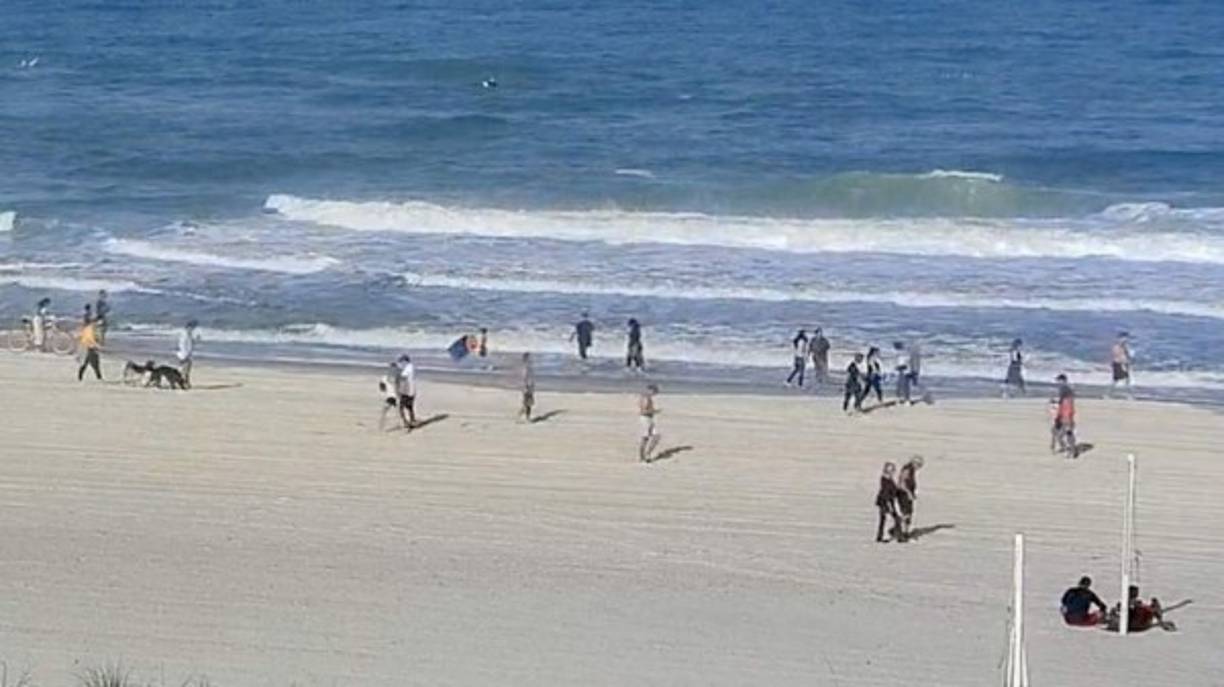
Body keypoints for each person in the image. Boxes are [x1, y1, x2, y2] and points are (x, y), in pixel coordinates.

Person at [895, 455, 923, 541]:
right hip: (903, 494)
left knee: (909, 513)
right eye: (918, 465)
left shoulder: (911, 470)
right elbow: (902, 483)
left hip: (907, 494)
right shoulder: (907, 470)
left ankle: (905, 531)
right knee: (906, 513)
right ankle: (902, 533)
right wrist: (909, 493)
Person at [1051, 374, 1079, 457]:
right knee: (1061, 433)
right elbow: (1061, 403)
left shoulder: (1065, 390)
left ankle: (1071, 450)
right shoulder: (1066, 393)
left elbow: (1065, 405)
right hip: (1064, 414)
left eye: (1059, 381)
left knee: (1066, 433)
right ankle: (1068, 449)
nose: (1058, 383)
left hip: (1066, 415)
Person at [874, 462, 902, 543]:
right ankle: (894, 536)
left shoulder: (888, 479)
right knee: (893, 518)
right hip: (886, 501)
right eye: (892, 470)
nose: (893, 472)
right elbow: (886, 492)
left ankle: (881, 536)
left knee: (884, 519)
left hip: (886, 501)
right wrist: (888, 504)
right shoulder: (886, 480)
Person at [638, 383, 660, 462]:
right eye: (655, 392)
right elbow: (643, 411)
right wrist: (654, 411)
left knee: (656, 437)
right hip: (645, 419)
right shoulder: (645, 398)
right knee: (645, 438)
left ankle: (647, 454)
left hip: (650, 418)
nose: (655, 394)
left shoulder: (648, 398)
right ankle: (642, 457)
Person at [396, 354, 418, 430]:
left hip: (407, 390)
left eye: (402, 362)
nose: (401, 364)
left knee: (401, 407)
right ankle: (412, 420)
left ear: (405, 361)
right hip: (411, 390)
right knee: (409, 407)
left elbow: (403, 377)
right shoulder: (411, 367)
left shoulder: (408, 369)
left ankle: (406, 422)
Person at [378, 361, 401, 431]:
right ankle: (398, 425)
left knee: (384, 411)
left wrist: (384, 390)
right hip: (395, 396)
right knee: (397, 411)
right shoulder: (397, 377)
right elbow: (399, 387)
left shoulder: (385, 377)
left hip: (390, 396)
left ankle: (381, 427)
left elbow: (381, 388)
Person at [1110, 331, 1134, 398]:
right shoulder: (1117, 346)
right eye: (1124, 338)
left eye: (1126, 338)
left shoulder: (1126, 346)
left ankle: (1129, 395)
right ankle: (1109, 394)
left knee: (1127, 379)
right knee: (1115, 380)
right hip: (1118, 364)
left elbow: (1129, 356)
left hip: (1124, 364)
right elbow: (1116, 355)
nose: (1125, 340)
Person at [177, 320, 200, 386]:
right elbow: (183, 345)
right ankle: (184, 383)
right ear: (188, 327)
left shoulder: (187, 334)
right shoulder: (185, 335)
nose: (193, 329)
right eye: (192, 327)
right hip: (185, 355)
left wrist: (195, 339)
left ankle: (186, 382)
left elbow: (190, 344)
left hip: (186, 355)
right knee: (184, 370)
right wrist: (185, 356)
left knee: (186, 370)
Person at [519, 352, 535, 422]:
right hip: (527, 387)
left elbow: (529, 377)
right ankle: (524, 417)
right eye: (529, 358)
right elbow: (524, 378)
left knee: (528, 403)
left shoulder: (528, 367)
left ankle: (525, 416)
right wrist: (526, 387)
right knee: (527, 403)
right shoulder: (525, 368)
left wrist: (532, 385)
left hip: (529, 386)